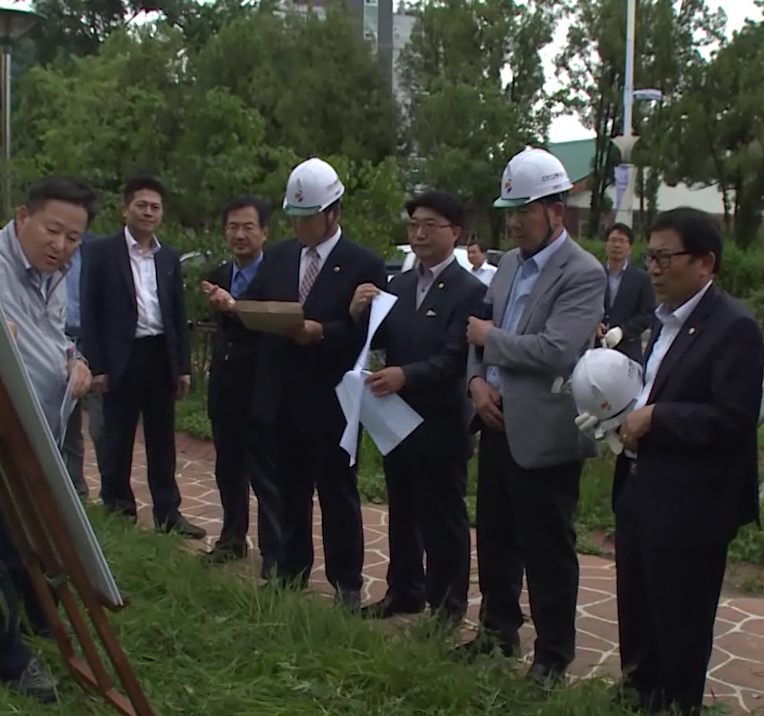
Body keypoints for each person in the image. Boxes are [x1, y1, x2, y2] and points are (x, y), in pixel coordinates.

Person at [597, 208, 764, 716]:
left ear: (705, 263)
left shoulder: (733, 327)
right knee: (638, 607)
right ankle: (637, 691)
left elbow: (731, 419)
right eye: (650, 256)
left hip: (693, 503)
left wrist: (658, 418)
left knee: (681, 619)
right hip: (641, 489)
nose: (654, 267)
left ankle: (675, 705)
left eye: (665, 257)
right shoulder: (659, 322)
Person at [203, 157, 387, 610]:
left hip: (330, 398)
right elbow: (259, 308)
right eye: (295, 217)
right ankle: (291, 569)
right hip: (280, 395)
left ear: (334, 212)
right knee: (289, 490)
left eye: (309, 217)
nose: (300, 226)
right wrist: (234, 306)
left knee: (337, 493)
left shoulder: (361, 263)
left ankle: (345, 580)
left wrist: (323, 331)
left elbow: (369, 334)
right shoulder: (283, 256)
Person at [0, 176, 97, 703]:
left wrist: (76, 363)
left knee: (34, 539)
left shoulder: (56, 273)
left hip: (37, 434)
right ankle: (8, 657)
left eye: (74, 237)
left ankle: (42, 618)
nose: (61, 246)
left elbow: (53, 340)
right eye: (53, 230)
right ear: (23, 217)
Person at [460, 148, 606, 684]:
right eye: (510, 213)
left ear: (556, 211)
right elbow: (479, 335)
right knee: (494, 538)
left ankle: (552, 657)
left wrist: (489, 342)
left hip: (545, 435)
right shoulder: (508, 267)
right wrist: (476, 383)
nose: (516, 222)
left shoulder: (583, 273)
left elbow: (555, 350)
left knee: (547, 551)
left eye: (525, 211)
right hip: (495, 421)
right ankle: (498, 631)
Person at [350, 190, 485, 626]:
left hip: (441, 419)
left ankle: (449, 605)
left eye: (431, 225)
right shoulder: (401, 284)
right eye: (414, 225)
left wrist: (406, 375)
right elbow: (384, 338)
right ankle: (405, 590)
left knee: (443, 517)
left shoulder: (470, 291)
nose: (420, 233)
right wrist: (359, 313)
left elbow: (454, 357)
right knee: (402, 508)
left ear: (455, 232)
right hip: (395, 418)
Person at [79, 174, 205, 538]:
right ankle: (119, 509)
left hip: (159, 355)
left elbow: (177, 315)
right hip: (122, 358)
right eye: (141, 205)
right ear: (125, 209)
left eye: (155, 207)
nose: (148, 213)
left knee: (162, 440)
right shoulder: (101, 253)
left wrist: (182, 367)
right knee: (116, 438)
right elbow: (91, 310)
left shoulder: (168, 257)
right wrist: (97, 365)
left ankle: (168, 512)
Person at [202, 195, 284, 572]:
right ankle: (231, 537)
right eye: (233, 227)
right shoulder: (220, 274)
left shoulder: (277, 277)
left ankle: (275, 554)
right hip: (225, 388)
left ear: (265, 232)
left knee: (265, 476)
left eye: (248, 227)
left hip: (261, 390)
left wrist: (235, 305)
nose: (240, 235)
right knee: (228, 468)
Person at [60, 233, 103, 498]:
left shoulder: (97, 250)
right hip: (61, 341)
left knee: (102, 425)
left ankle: (114, 493)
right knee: (67, 423)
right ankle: (75, 489)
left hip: (93, 341)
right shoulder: (51, 252)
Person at [597, 222, 655, 363]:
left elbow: (647, 314)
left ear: (630, 248)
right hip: (595, 349)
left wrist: (623, 331)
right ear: (606, 245)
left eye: (622, 241)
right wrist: (594, 324)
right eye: (613, 240)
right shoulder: (594, 274)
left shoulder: (642, 279)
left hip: (627, 352)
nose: (617, 245)